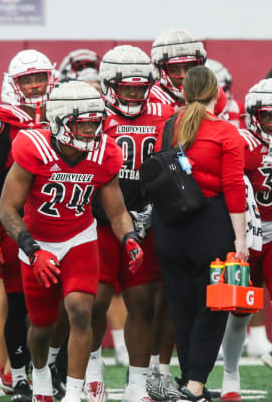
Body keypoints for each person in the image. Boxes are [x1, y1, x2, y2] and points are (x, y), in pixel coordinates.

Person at [0, 80, 143, 402]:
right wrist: (32, 250)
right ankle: (40, 379)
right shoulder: (33, 145)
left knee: (80, 310)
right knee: (41, 324)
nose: (92, 130)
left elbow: (117, 212)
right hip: (37, 242)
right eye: (83, 123)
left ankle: (74, 394)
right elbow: (7, 208)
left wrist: (130, 238)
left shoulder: (104, 151)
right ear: (60, 120)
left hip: (79, 237)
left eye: (95, 122)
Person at [152, 66, 247, 401]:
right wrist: (241, 239)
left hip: (169, 225)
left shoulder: (169, 125)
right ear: (215, 92)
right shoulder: (226, 132)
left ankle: (189, 380)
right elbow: (234, 188)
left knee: (181, 304)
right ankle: (195, 383)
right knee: (213, 305)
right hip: (210, 223)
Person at [86, 44, 174, 402]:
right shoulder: (91, 113)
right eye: (127, 87)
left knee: (143, 303)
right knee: (94, 301)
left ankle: (138, 384)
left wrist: (156, 206)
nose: (135, 93)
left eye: (141, 86)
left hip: (146, 221)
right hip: (99, 221)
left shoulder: (166, 113)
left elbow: (173, 165)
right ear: (110, 84)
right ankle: (92, 370)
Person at [221, 78, 272, 402]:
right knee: (240, 310)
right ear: (254, 114)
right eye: (267, 116)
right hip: (244, 235)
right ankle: (230, 376)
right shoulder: (238, 141)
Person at [0, 49, 55, 398]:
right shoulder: (1, 121)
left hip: (57, 221)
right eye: (28, 80)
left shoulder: (61, 112)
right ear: (14, 84)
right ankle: (20, 376)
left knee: (61, 305)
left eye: (41, 77)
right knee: (17, 303)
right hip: (16, 224)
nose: (37, 85)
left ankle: (53, 370)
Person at [206, 59, 246, 128]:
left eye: (223, 90)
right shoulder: (188, 114)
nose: (219, 97)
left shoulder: (238, 109)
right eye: (211, 93)